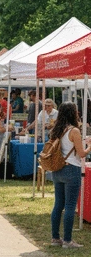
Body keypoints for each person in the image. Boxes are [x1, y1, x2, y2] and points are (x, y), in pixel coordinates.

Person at [49, 101, 91, 249]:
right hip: (71, 169)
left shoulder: (57, 129)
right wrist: (89, 145)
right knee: (70, 206)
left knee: (58, 205)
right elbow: (81, 154)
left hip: (57, 169)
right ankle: (67, 240)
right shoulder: (74, 131)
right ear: (74, 113)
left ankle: (55, 238)